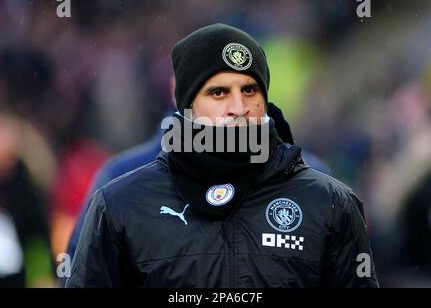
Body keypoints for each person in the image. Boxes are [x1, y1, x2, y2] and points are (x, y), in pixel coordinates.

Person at [66, 23, 378, 287]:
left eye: (250, 90)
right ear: (186, 103)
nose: (239, 107)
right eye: (218, 92)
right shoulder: (120, 202)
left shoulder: (330, 203)